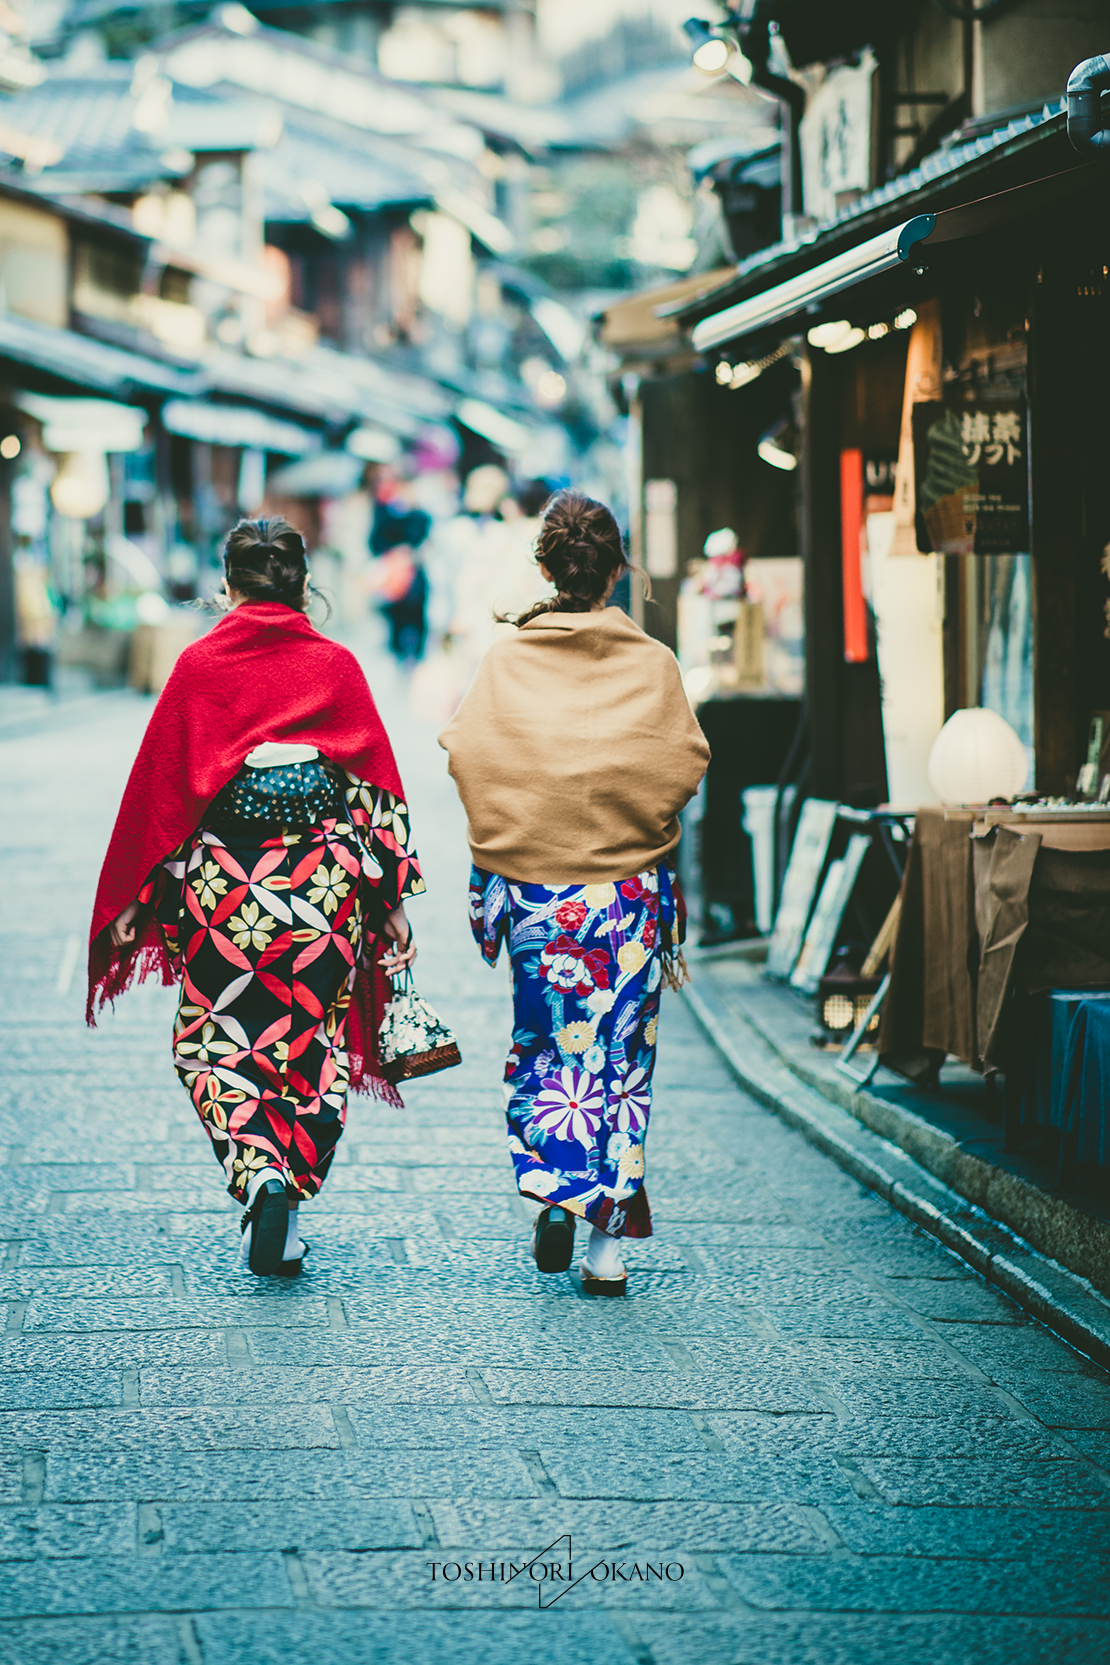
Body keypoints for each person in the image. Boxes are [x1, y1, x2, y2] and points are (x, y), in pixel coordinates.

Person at [87, 517, 423, 1277]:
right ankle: (287, 1200)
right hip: (324, 889)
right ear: (303, 585)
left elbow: (162, 796)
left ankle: (260, 1173)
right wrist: (394, 897)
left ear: (229, 585)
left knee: (212, 1037)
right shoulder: (335, 666)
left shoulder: (200, 665)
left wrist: (141, 894)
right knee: (311, 1043)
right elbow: (377, 792)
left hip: (225, 891)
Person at [439, 490, 710, 1293]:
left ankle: (551, 1185)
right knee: (621, 1059)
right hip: (625, 899)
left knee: (548, 1044)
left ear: (545, 568)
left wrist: (525, 823)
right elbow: (683, 764)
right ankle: (605, 1247)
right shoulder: (652, 663)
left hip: (535, 896)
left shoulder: (508, 660)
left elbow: (468, 753)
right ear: (618, 572)